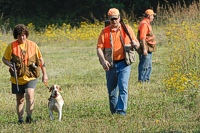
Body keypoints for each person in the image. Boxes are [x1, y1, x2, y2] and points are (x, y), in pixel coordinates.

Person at [2, 24, 48, 124]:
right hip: (17, 79)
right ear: (16, 36)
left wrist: (45, 74)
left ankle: (29, 117)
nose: (22, 37)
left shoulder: (33, 45)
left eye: (23, 35)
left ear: (26, 35)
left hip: (31, 76)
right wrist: (10, 64)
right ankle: (20, 120)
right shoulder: (11, 46)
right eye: (19, 35)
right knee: (20, 100)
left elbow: (40, 60)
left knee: (30, 94)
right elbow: (4, 59)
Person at [97, 8, 139, 115]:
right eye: (112, 19)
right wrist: (103, 61)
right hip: (110, 65)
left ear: (119, 18)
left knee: (123, 87)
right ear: (109, 19)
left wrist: (135, 44)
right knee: (112, 92)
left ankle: (121, 111)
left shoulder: (127, 29)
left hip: (124, 63)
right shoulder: (104, 32)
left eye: (116, 18)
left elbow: (137, 44)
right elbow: (99, 49)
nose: (114, 21)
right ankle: (114, 112)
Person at [137, 9, 156, 82]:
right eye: (152, 16)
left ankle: (146, 80)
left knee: (148, 65)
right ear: (149, 16)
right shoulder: (144, 24)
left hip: (148, 48)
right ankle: (142, 81)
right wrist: (144, 49)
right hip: (146, 49)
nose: (153, 17)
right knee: (144, 65)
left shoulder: (146, 23)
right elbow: (142, 37)